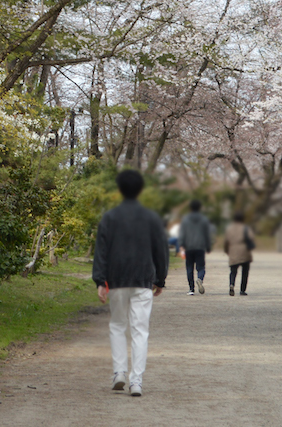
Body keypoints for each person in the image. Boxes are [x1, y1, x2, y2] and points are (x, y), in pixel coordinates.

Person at [91, 169, 169, 397]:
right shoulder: (151, 218)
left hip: (115, 280)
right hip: (143, 279)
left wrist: (100, 280)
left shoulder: (110, 217)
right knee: (140, 331)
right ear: (140, 189)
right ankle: (136, 381)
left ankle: (119, 373)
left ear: (120, 189)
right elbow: (161, 250)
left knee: (117, 325)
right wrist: (160, 279)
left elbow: (101, 251)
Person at [179, 199, 215, 295]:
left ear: (190, 208)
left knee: (189, 267)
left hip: (189, 247)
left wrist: (181, 244)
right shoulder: (204, 220)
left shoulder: (185, 219)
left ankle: (191, 289)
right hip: (200, 247)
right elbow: (207, 234)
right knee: (201, 267)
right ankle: (199, 279)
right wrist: (208, 246)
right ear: (200, 208)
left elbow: (182, 233)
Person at [222, 211, 255, 296]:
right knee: (245, 272)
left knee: (233, 271)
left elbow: (226, 241)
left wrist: (226, 250)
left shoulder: (229, 228)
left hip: (233, 251)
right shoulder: (246, 228)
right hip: (244, 251)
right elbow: (251, 237)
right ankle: (242, 290)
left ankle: (231, 284)